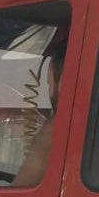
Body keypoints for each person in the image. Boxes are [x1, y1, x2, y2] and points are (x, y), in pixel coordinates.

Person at [13, 35, 67, 188]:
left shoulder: (57, 132)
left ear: (64, 83)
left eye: (48, 80)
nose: (47, 85)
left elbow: (18, 195)